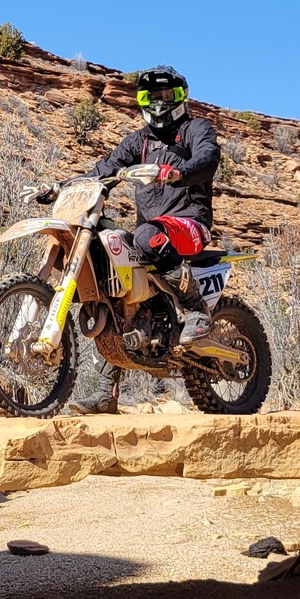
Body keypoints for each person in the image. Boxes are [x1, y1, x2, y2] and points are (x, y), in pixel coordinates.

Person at [72, 65, 223, 414]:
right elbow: (106, 166)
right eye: (150, 97)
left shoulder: (195, 129)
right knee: (111, 262)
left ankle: (195, 308)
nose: (158, 103)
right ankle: (104, 391)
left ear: (180, 97)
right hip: (152, 233)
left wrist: (178, 172)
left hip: (190, 224)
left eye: (165, 96)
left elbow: (208, 158)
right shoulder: (139, 141)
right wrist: (67, 185)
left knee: (143, 235)